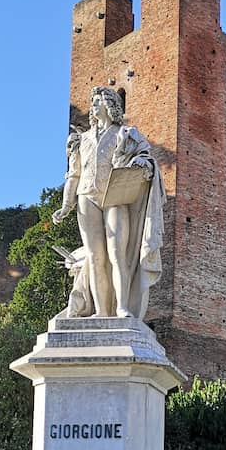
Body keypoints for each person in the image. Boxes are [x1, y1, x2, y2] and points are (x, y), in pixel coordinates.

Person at [52, 87, 165, 319]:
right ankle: (102, 311)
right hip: (86, 197)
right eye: (92, 102)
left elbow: (145, 156)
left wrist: (142, 165)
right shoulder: (79, 140)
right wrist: (65, 205)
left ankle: (121, 307)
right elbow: (73, 175)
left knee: (117, 254)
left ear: (109, 105)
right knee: (95, 258)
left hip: (115, 195)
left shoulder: (125, 134)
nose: (93, 107)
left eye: (97, 102)